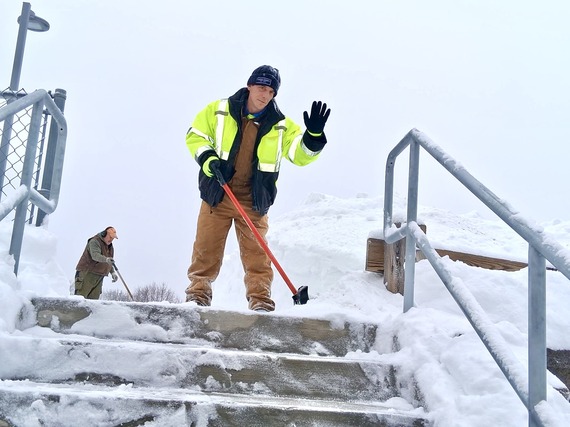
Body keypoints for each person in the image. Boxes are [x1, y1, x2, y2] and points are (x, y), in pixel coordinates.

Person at [184, 65, 331, 312]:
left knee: (257, 255)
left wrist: (313, 136)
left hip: (253, 200)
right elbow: (195, 135)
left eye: (271, 91)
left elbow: (299, 154)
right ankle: (198, 295)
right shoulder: (219, 110)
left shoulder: (281, 125)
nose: (265, 95)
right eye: (262, 87)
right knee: (205, 250)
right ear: (250, 85)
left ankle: (261, 300)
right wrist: (209, 159)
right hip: (218, 194)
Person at [74, 226, 119, 300]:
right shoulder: (94, 241)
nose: (111, 240)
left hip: (99, 276)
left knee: (93, 302)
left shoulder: (110, 246)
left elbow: (109, 261)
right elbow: (95, 255)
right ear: (105, 234)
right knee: (80, 299)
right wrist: (106, 259)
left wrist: (113, 272)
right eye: (110, 237)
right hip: (87, 274)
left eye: (113, 238)